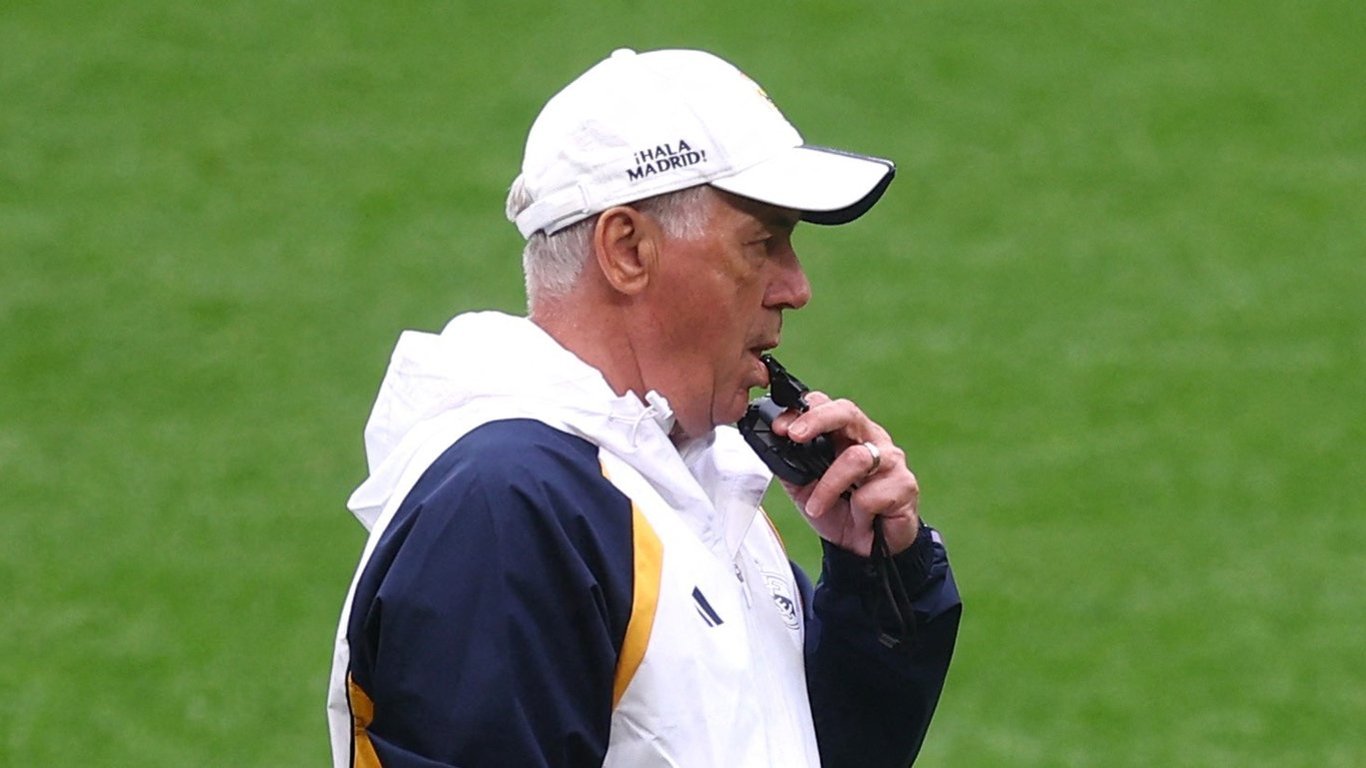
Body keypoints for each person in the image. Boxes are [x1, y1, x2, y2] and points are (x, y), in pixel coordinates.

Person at [326, 48, 961, 768]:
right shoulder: (509, 505)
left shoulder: (695, 487)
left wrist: (878, 583)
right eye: (763, 243)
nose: (796, 287)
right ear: (627, 250)